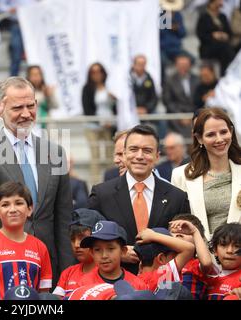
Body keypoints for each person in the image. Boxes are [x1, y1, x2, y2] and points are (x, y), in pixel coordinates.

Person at [0, 77, 75, 282]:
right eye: (17, 107)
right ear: (1, 109)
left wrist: (66, 276)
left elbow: (63, 218)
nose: (25, 113)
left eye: (30, 106)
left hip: (46, 268)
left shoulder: (54, 153)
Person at [88, 124, 191, 274]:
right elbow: (91, 240)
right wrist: (119, 253)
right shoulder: (102, 194)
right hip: (114, 283)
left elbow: (185, 242)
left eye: (147, 151)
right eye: (133, 149)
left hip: (163, 283)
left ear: (157, 156)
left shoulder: (177, 197)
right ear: (124, 154)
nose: (140, 156)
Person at [171, 107, 241, 240]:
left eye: (223, 132)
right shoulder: (180, 175)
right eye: (211, 134)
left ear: (231, 132)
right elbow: (177, 227)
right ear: (199, 138)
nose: (219, 139)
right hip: (200, 256)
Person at [78, 220, 147, 290]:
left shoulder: (137, 285)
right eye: (97, 250)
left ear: (123, 251)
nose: (104, 256)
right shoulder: (83, 284)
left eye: (110, 249)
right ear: (91, 253)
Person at [52, 208, 104, 299]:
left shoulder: (108, 272)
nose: (76, 244)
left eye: (82, 238)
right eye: (72, 239)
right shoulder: (68, 273)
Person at [82, 63, 116, 184]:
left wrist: (114, 99)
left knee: (110, 156)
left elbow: (116, 107)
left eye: (99, 71)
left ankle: (112, 183)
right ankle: (95, 184)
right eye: (93, 72)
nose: (97, 75)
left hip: (109, 126)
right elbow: (87, 110)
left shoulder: (110, 87)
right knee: (95, 156)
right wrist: (101, 122)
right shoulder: (87, 89)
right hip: (93, 126)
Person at [134, 227, 195, 291]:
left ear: (140, 265)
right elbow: (189, 249)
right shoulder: (164, 276)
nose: (177, 258)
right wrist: (153, 236)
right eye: (175, 255)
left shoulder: (133, 282)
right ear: (161, 259)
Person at [169, 214, 214, 300]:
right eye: (174, 232)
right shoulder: (161, 262)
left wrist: (195, 232)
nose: (179, 234)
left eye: (186, 232)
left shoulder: (197, 264)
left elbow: (206, 263)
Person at [162, 53, 199, 138]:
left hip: (194, 114)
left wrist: (193, 116)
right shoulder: (169, 81)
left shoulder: (197, 79)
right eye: (180, 65)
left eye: (185, 65)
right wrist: (180, 115)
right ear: (176, 65)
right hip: (176, 115)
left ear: (190, 65)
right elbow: (168, 101)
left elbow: (199, 100)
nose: (183, 67)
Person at [196, 0, 234, 76]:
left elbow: (229, 33)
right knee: (225, 48)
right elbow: (200, 34)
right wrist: (212, 36)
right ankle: (224, 73)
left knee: (225, 48)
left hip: (223, 45)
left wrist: (224, 35)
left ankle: (227, 72)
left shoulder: (222, 16)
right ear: (211, 4)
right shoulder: (204, 17)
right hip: (208, 46)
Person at [205, 223, 241, 300]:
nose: (229, 251)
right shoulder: (205, 278)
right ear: (215, 250)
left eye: (237, 246)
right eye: (223, 245)